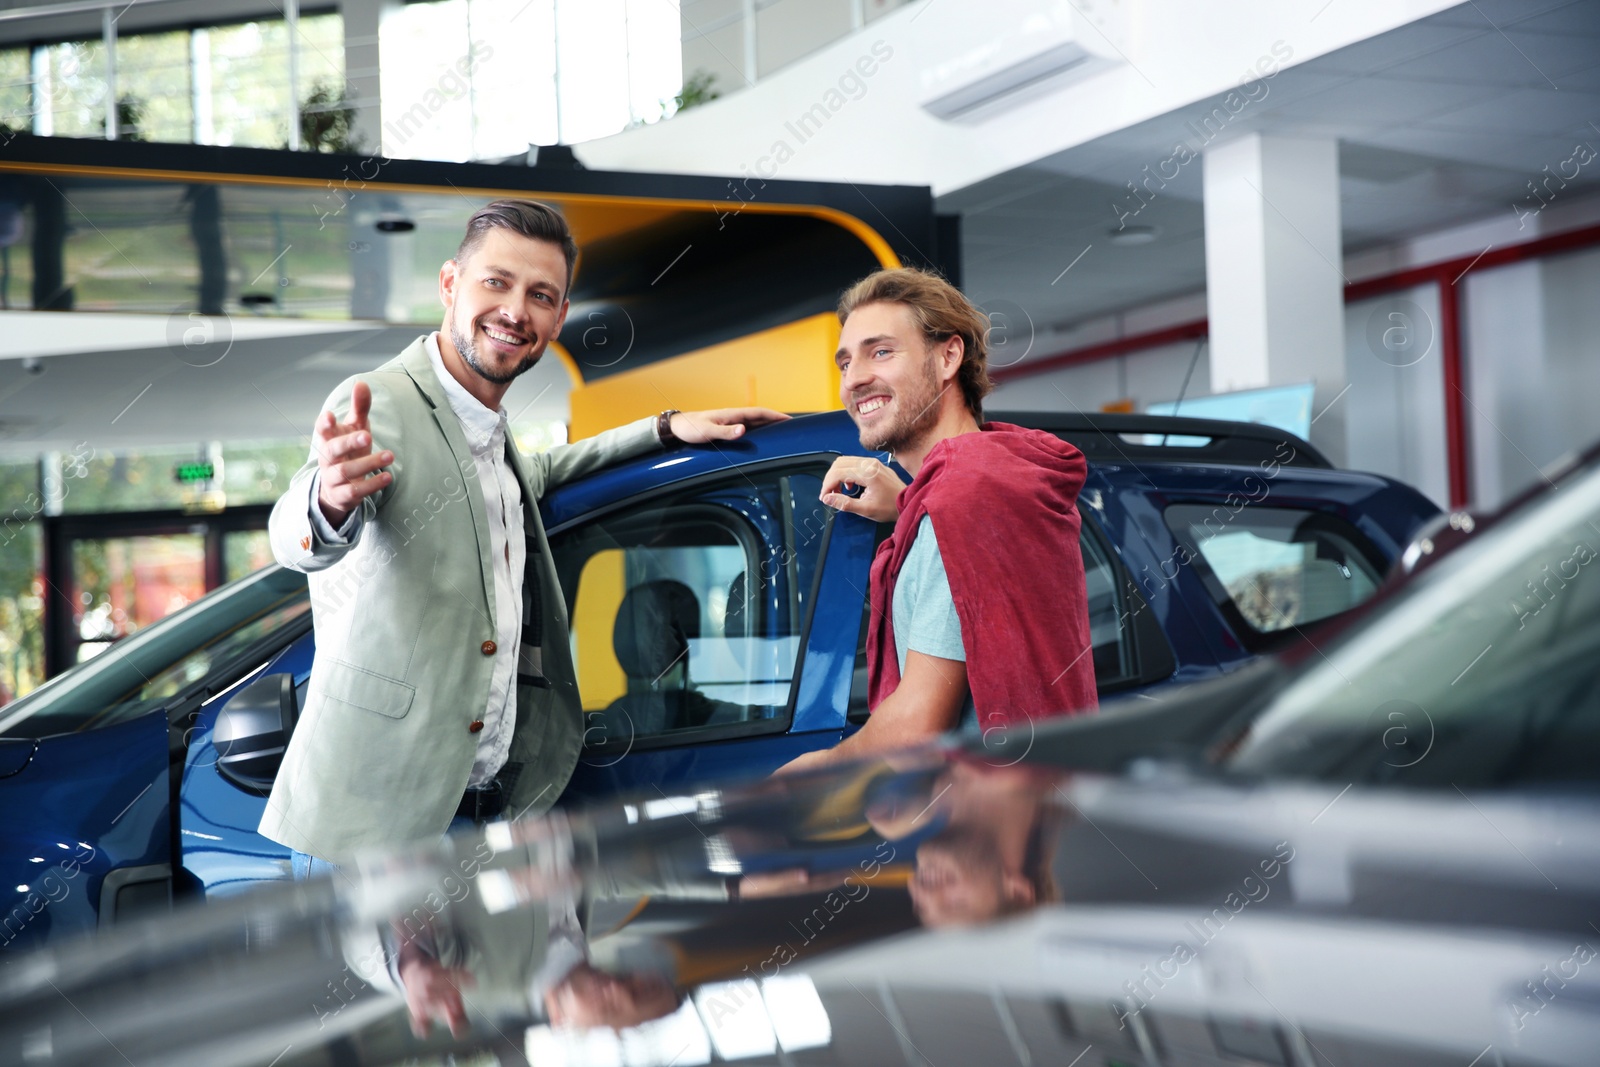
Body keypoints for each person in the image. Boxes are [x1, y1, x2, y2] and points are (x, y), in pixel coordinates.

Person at [261, 199, 787, 872]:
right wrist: (326, 500)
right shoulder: (379, 400)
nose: (516, 310)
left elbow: (530, 477)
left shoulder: (484, 428)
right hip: (385, 821)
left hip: (486, 812)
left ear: (559, 317)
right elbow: (294, 531)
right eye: (496, 282)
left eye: (542, 295)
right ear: (451, 284)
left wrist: (662, 430)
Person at [781, 267, 1096, 772]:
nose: (855, 378)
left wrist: (807, 776)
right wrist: (913, 504)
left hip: (989, 834)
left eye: (880, 352)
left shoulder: (969, 497)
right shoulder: (977, 485)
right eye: (845, 362)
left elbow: (914, 727)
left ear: (949, 356)